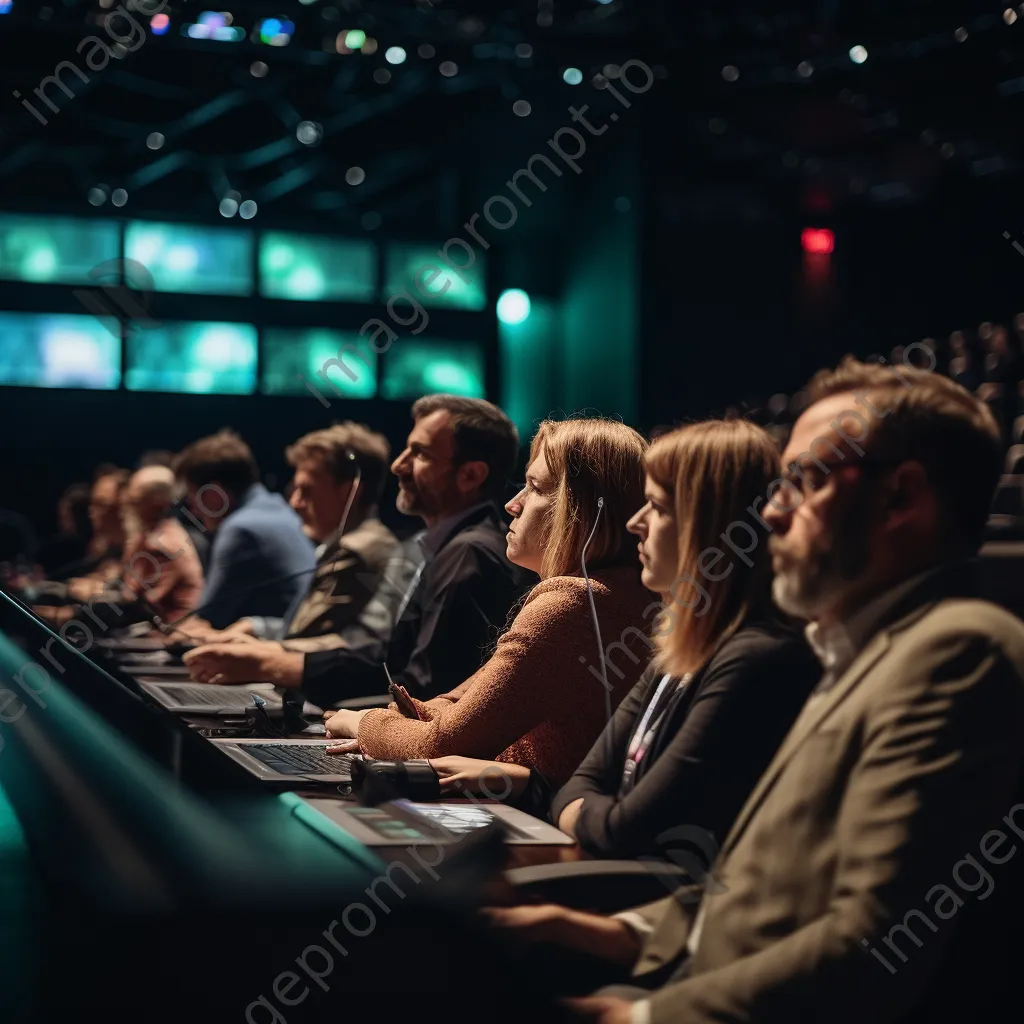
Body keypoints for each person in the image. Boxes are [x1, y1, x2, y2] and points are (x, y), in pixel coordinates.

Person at [487, 357, 1024, 1024]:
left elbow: (872, 940)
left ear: (900, 498)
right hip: (689, 976)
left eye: (801, 481)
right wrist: (602, 929)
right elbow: (763, 886)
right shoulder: (857, 647)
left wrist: (635, 1017)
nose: (771, 512)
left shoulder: (957, 651)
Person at [427, 421, 819, 859]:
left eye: (658, 506)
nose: (636, 522)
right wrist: (532, 785)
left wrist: (562, 801)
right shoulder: (680, 644)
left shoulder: (752, 657)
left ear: (709, 526)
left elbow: (629, 828)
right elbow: (586, 787)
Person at [321, 418, 656, 790]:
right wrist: (401, 726)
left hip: (541, 828)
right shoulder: (617, 592)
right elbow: (458, 709)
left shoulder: (573, 603)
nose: (513, 505)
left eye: (535, 487)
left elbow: (442, 745)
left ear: (584, 511)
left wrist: (363, 723)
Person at [185, 396, 526, 704]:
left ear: (470, 476)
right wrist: (271, 657)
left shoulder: (469, 552)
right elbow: (390, 657)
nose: (398, 465)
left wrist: (273, 662)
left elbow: (424, 691)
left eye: (420, 453)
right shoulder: (453, 546)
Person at [182, 423, 398, 651]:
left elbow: (339, 652)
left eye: (306, 491)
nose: (294, 503)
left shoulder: (357, 550)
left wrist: (260, 651)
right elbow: (306, 632)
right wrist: (256, 627)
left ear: (349, 491)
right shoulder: (348, 543)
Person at [172, 430, 315, 631]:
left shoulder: (241, 529)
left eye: (191, 496)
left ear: (213, 494)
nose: (192, 509)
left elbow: (207, 619)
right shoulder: (279, 509)